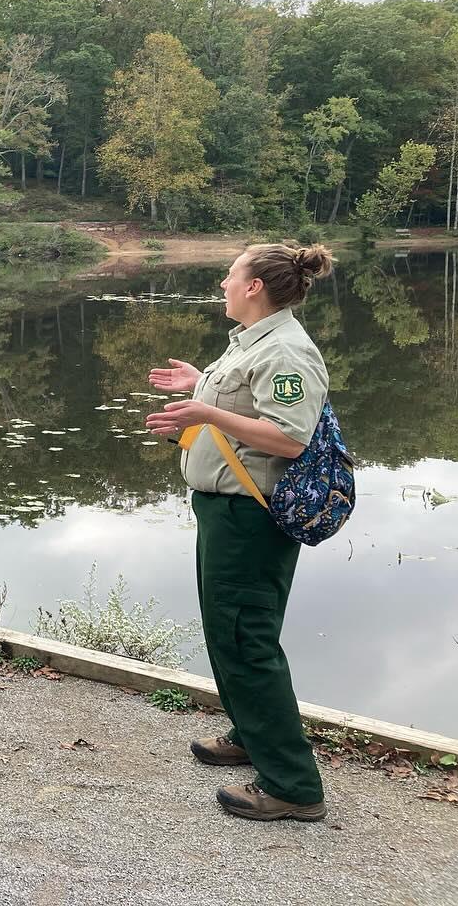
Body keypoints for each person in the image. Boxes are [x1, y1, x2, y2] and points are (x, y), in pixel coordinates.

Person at [145, 243, 335, 823]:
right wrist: (202, 383)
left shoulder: (288, 352)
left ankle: (293, 787)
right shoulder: (253, 344)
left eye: (231, 275)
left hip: (251, 517)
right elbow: (246, 402)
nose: (224, 282)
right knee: (228, 633)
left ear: (255, 287)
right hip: (225, 513)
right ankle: (252, 735)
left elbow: (288, 439)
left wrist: (206, 413)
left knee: (247, 639)